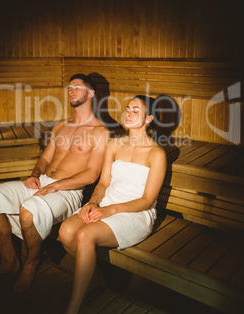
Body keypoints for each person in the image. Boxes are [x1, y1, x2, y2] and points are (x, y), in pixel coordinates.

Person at [0, 74, 109, 292]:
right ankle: (9, 261)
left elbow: (92, 174)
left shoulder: (100, 132)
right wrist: (35, 174)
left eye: (77, 86)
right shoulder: (60, 126)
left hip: (68, 191)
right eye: (70, 87)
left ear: (91, 93)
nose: (71, 90)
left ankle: (31, 263)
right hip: (42, 182)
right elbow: (46, 158)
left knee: (29, 211)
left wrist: (57, 185)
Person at [59, 95, 167, 314]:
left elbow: (147, 200)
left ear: (148, 119)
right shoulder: (115, 145)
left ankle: (73, 307)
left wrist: (110, 210)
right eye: (127, 108)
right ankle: (96, 278)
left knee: (84, 235)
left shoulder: (156, 154)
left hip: (135, 212)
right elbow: (104, 183)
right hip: (107, 202)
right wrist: (92, 203)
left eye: (135, 110)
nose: (128, 113)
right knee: (66, 231)